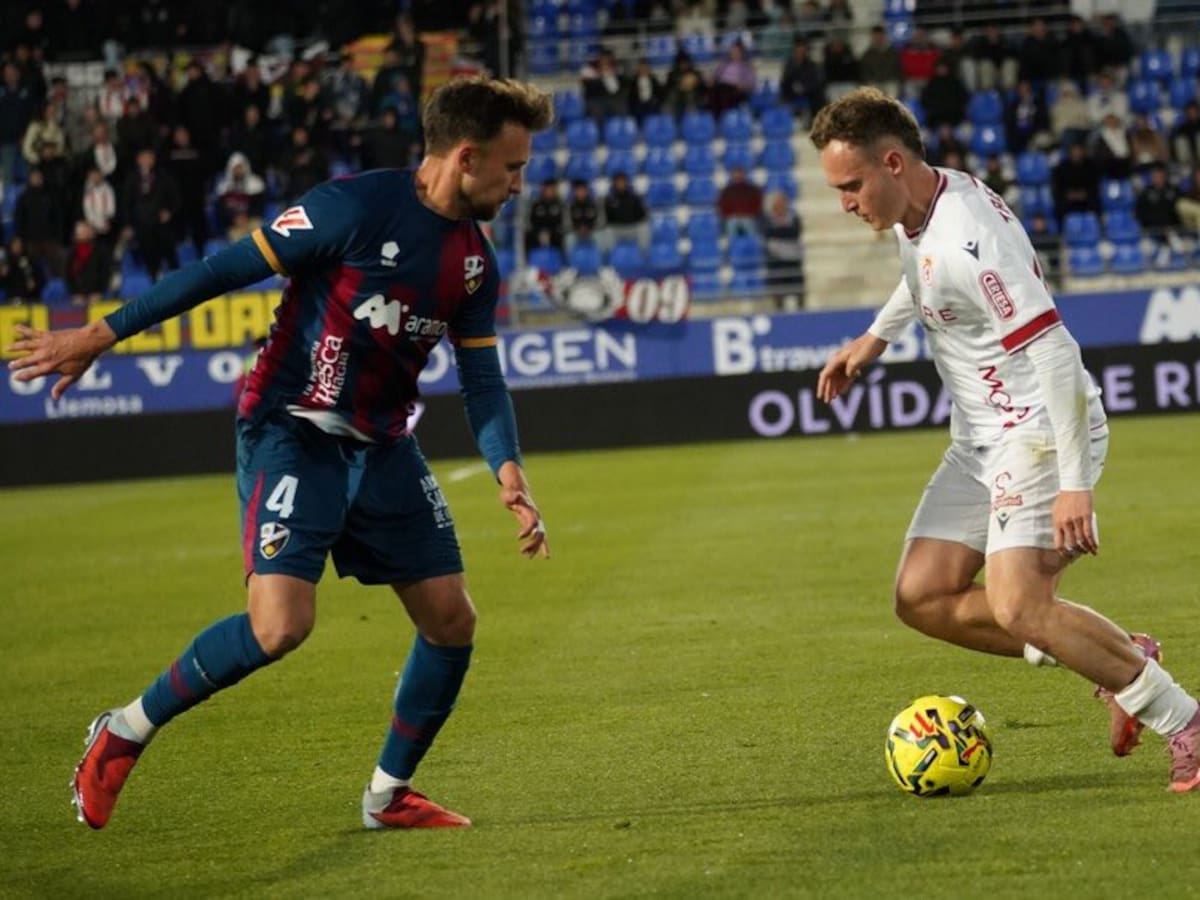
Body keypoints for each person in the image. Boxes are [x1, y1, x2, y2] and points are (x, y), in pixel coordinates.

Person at [8, 76, 554, 830]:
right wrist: (101, 333)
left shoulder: (472, 262)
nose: (521, 183)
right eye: (513, 167)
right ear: (466, 157)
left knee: (451, 620)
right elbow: (220, 270)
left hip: (383, 443)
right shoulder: (351, 207)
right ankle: (124, 729)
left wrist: (508, 469)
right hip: (290, 427)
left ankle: (388, 794)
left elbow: (483, 378)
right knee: (279, 627)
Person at [810, 87, 1200, 794]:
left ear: (892, 162)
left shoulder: (971, 236)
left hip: (1042, 435)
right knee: (922, 596)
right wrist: (875, 337)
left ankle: (1183, 720)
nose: (844, 202)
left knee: (1018, 603)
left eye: (850, 185)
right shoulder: (916, 207)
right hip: (981, 439)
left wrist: (1075, 482)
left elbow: (1054, 352)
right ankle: (1113, 658)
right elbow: (920, 276)